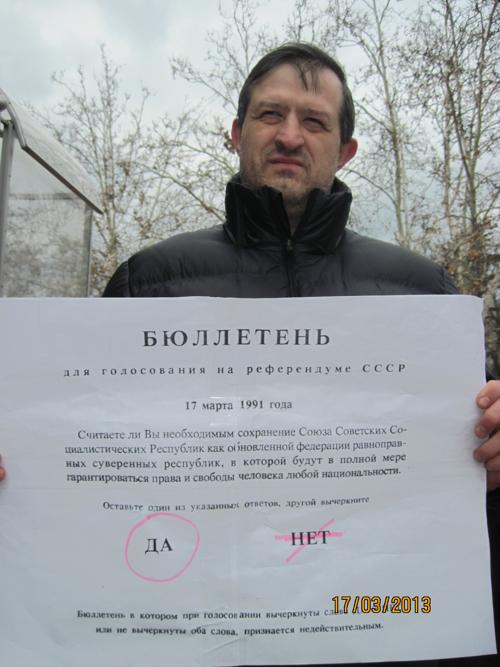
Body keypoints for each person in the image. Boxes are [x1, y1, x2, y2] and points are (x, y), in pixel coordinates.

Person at [1, 42, 499, 667]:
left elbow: (471, 473)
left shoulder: (421, 294)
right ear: (237, 135)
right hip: (183, 632)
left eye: (314, 121)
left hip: (371, 633)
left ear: (345, 150)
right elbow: (73, 458)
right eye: (270, 115)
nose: (290, 135)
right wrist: (19, 460)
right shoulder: (148, 282)